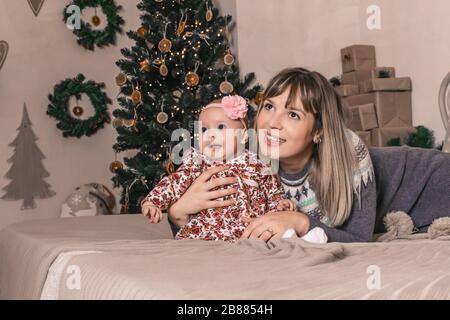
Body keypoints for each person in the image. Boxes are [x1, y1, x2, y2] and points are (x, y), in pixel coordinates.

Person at [168, 67, 450, 243]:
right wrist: (178, 212)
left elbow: (357, 239)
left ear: (319, 131)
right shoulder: (248, 159)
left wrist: (301, 222)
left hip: (433, 179)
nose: (272, 123)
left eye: (292, 114)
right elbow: (225, 225)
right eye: (268, 107)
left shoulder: (349, 153)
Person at [141, 95, 326, 243]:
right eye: (204, 130)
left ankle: (303, 242)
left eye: (221, 127)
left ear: (244, 135)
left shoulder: (257, 164)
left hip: (250, 231)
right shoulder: (198, 163)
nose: (210, 135)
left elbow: (272, 190)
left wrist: (281, 205)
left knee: (273, 235)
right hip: (210, 231)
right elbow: (172, 183)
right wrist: (153, 202)